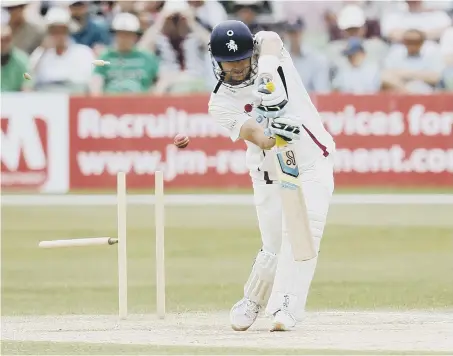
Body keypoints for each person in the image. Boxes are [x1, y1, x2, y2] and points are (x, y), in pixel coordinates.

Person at [208, 20, 335, 331]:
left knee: (306, 232)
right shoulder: (220, 102)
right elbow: (258, 138)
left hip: (310, 161)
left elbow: (272, 39)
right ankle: (253, 299)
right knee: (274, 244)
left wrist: (265, 74)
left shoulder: (271, 54)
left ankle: (287, 306)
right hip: (268, 170)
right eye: (229, 63)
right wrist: (274, 134)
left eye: (241, 60)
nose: (237, 69)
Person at [90, 12, 159, 95]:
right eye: (120, 34)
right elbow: (97, 80)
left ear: (135, 36)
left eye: (128, 34)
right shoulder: (105, 56)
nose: (124, 38)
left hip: (141, 102)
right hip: (111, 102)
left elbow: (159, 80)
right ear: (115, 35)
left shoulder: (147, 57)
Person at [29, 6, 94, 93]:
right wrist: (42, 50)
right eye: (54, 31)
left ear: (68, 31)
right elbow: (29, 78)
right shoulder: (40, 53)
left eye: (62, 31)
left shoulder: (83, 52)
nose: (58, 35)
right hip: (46, 96)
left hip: (74, 96)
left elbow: (87, 81)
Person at [1, 9, 30, 92]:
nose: (3, 43)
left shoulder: (21, 60)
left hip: (15, 100)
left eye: (7, 39)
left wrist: (26, 85)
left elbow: (27, 76)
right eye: (1, 40)